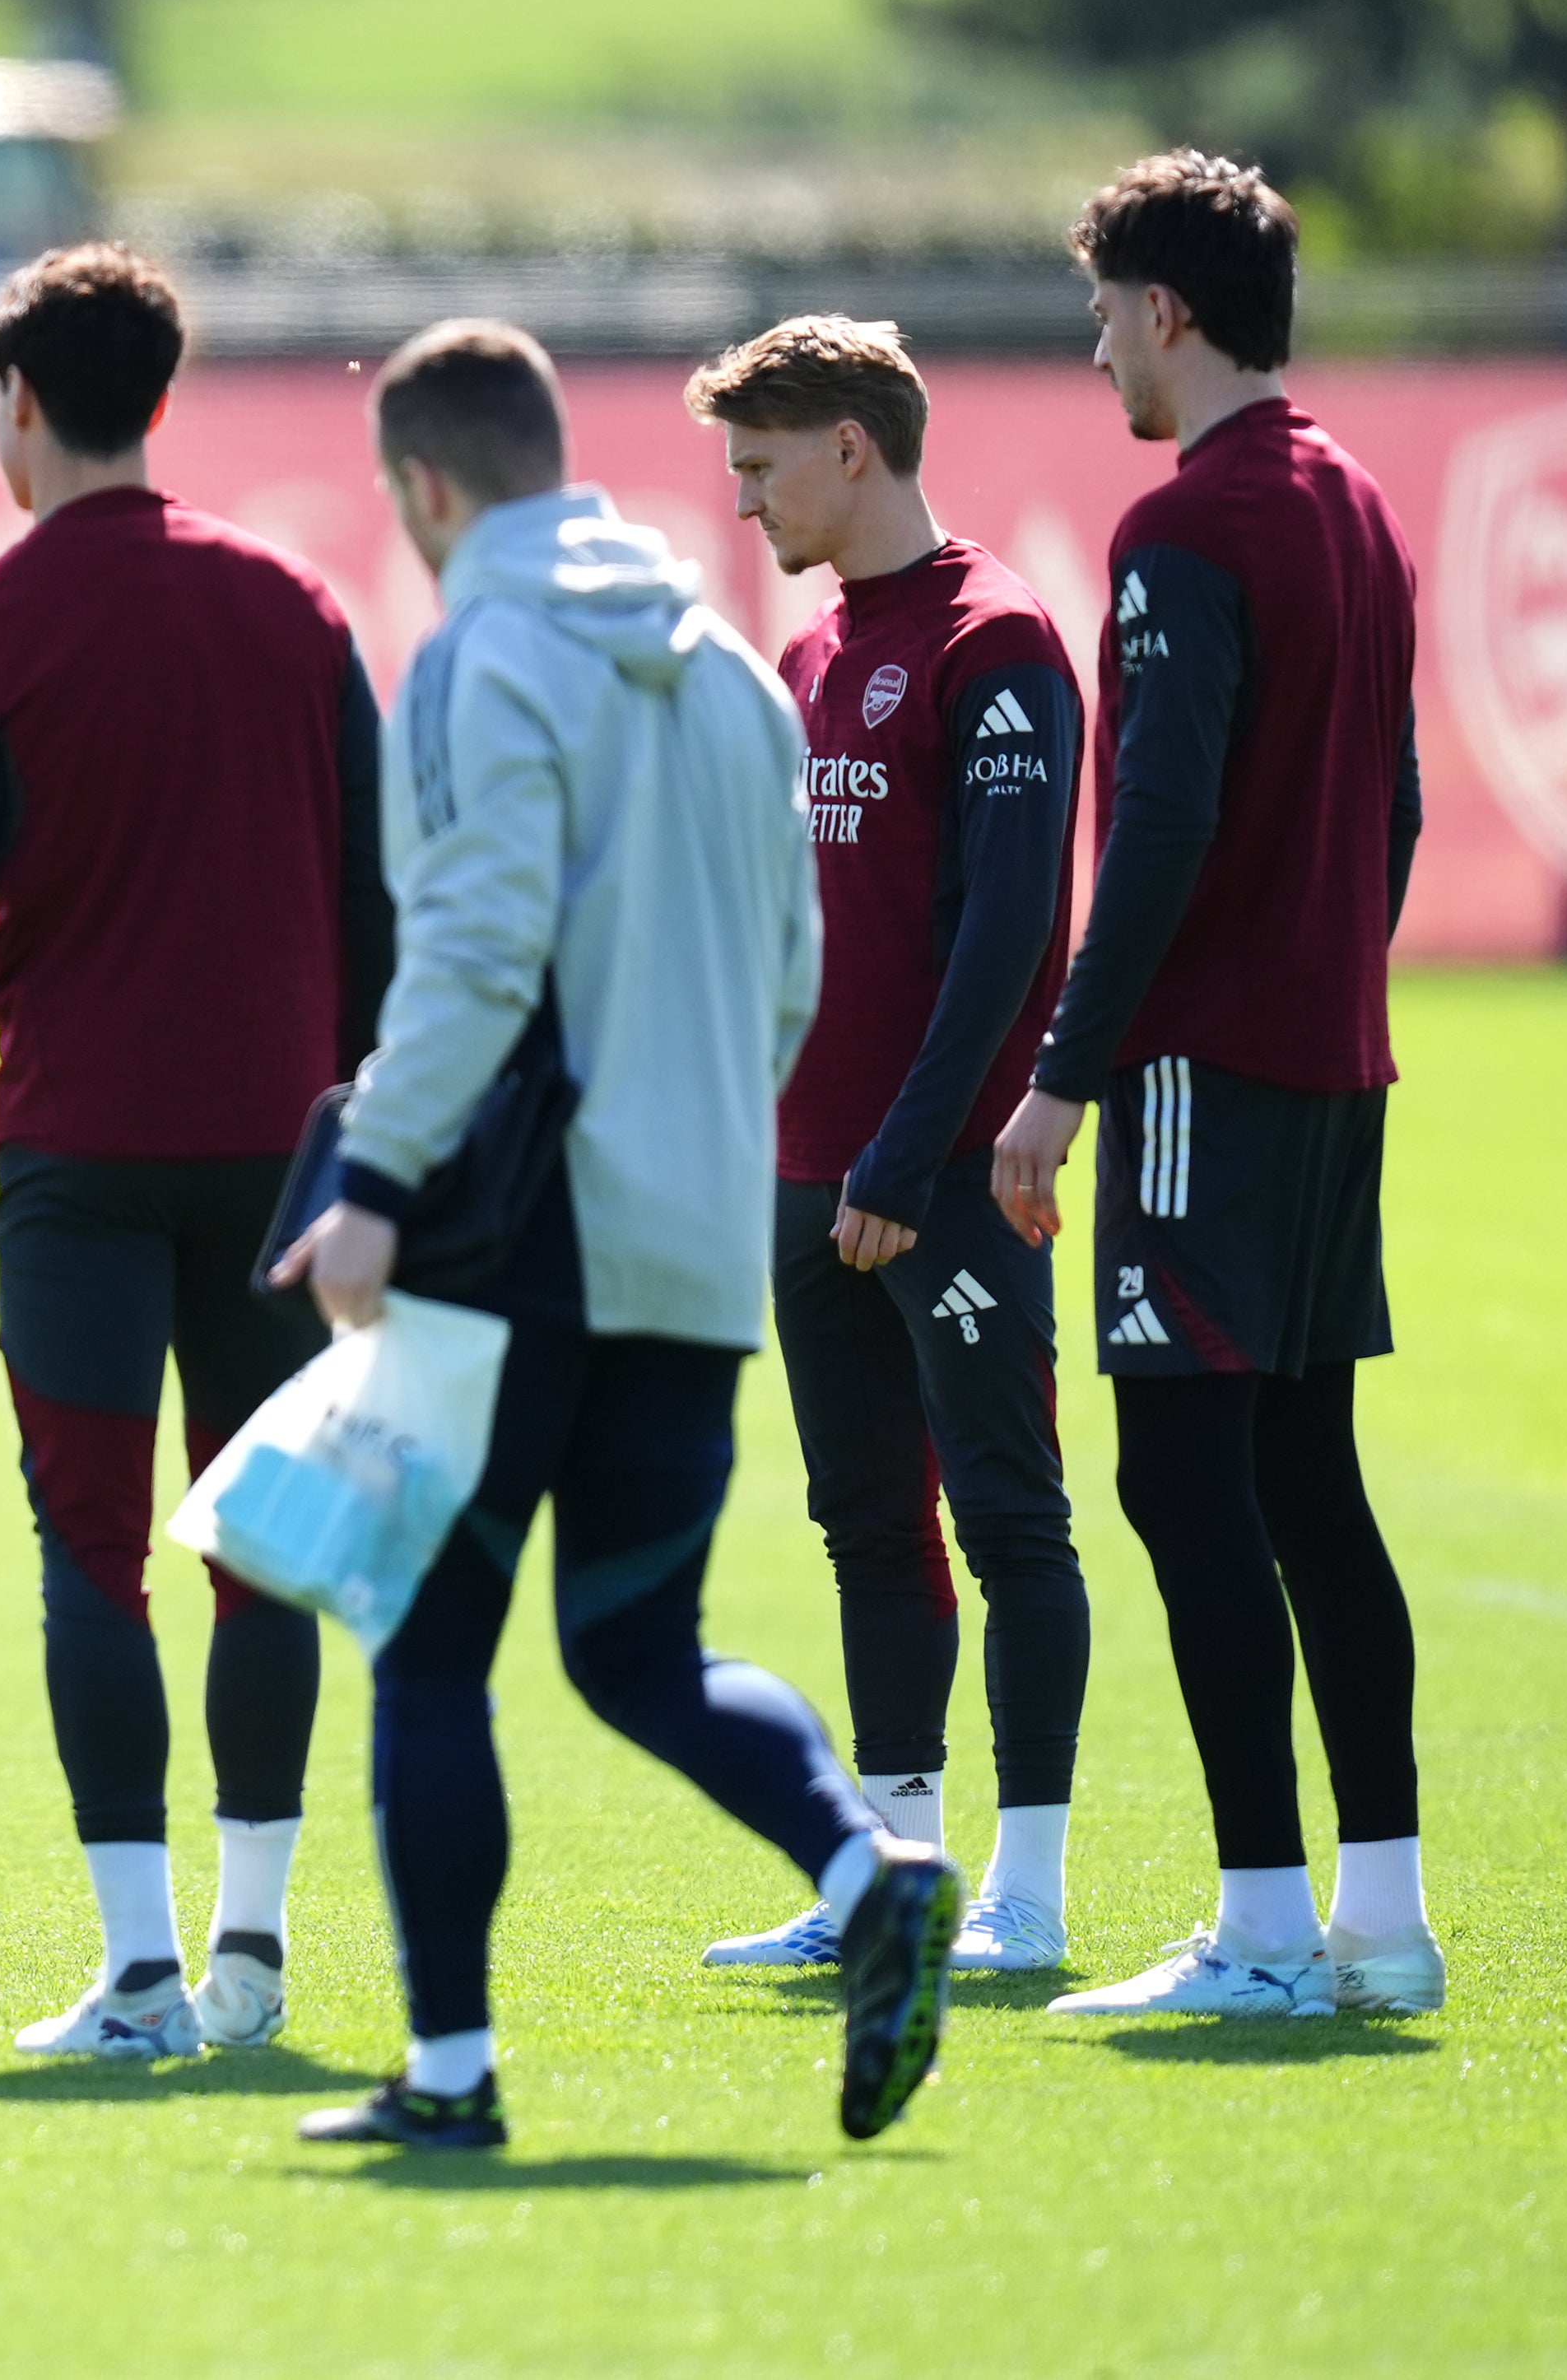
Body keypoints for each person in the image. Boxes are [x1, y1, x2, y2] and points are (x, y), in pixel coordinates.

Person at [271, 320, 959, 2152]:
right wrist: (696, 1133)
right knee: (637, 1643)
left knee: (426, 1645)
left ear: (420, 485)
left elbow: (477, 940)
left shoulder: (476, 650)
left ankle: (448, 2071)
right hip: (687, 1230)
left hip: (515, 1237)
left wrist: (374, 1178)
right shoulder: (736, 670)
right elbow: (789, 974)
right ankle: (862, 1857)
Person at [0, 245, 388, 2060]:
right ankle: (250, 1957)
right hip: (283, 1165)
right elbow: (377, 894)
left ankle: (137, 1970)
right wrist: (370, 1130)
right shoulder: (297, 607)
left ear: (16, 405)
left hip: (77, 1158)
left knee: (93, 1557)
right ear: (155, 399)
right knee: (269, 1553)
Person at [992, 153, 1438, 2020]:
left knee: (1181, 1482)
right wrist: (1331, 964)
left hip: (1205, 1079)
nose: (1097, 351)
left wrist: (1057, 1079)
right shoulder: (1353, 505)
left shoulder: (1184, 530)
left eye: (1103, 312)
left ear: (1165, 308)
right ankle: (1380, 1917)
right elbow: (1397, 802)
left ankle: (1258, 1925)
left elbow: (1156, 825)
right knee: (1304, 1477)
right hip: (1337, 1067)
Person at [682, 318, 1092, 1977]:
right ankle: (890, 1870)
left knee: (1005, 1512)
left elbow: (1009, 937)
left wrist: (906, 1159)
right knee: (861, 1510)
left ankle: (1033, 1888)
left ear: (850, 444)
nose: (741, 501)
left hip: (936, 1177)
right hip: (808, 1167)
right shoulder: (802, 659)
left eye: (760, 465)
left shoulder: (994, 642)